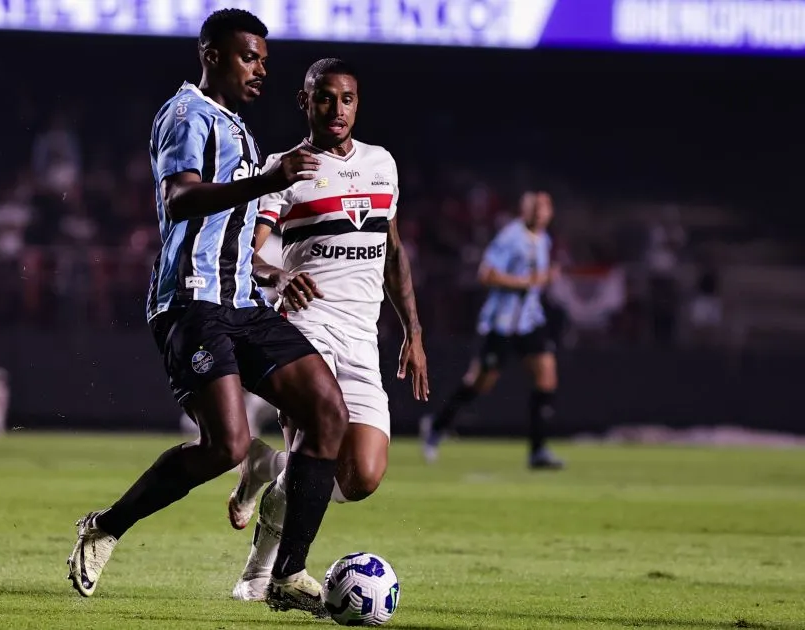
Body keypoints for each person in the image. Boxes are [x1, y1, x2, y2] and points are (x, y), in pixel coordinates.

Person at [66, 10, 348, 616]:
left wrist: (271, 274)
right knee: (227, 445)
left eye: (265, 62)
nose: (260, 71)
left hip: (242, 301)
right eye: (250, 58)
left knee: (327, 410)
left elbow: (236, 229)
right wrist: (269, 177)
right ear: (212, 54)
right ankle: (106, 526)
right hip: (191, 303)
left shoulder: (237, 128)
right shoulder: (185, 115)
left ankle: (288, 573)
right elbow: (183, 197)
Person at [224, 58, 428, 602]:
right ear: (304, 102)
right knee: (316, 444)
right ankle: (261, 574)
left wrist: (415, 331)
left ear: (357, 104)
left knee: (361, 476)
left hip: (363, 336)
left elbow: (393, 252)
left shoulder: (382, 164)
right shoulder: (285, 169)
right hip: (306, 328)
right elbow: (249, 250)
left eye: (346, 99)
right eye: (324, 98)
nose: (336, 109)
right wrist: (279, 274)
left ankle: (267, 465)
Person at [420, 192, 564, 469]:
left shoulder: (544, 239)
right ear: (523, 210)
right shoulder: (511, 237)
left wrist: (542, 279)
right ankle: (437, 425)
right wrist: (523, 282)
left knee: (546, 376)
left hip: (529, 322)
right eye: (534, 207)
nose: (538, 212)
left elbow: (535, 281)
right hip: (502, 323)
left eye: (544, 207)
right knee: (480, 381)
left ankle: (538, 451)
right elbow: (486, 274)